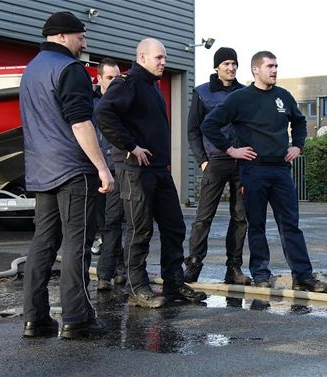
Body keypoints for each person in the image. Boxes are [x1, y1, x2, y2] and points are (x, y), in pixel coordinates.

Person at [201, 50, 327, 293]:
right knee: (257, 224)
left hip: (281, 170)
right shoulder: (240, 98)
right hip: (253, 170)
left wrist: (298, 145)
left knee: (291, 225)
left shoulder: (284, 97)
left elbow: (300, 122)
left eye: (276, 66)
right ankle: (261, 274)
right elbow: (209, 124)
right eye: (269, 66)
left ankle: (303, 276)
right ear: (255, 70)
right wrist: (231, 150)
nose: (274, 71)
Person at [20, 11, 114, 339]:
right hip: (73, 169)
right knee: (78, 242)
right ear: (62, 36)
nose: (84, 43)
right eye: (80, 36)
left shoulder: (31, 70)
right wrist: (102, 168)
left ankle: (36, 319)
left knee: (43, 241)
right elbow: (79, 122)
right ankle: (77, 319)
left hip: (41, 169)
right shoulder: (70, 69)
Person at [96, 38, 207, 308]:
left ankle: (174, 283)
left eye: (165, 58)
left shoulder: (153, 87)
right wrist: (130, 146)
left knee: (174, 226)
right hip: (134, 170)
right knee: (139, 229)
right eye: (159, 58)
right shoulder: (128, 83)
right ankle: (138, 288)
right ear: (142, 57)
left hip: (158, 170)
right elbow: (103, 113)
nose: (163, 62)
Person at [185, 47, 250, 285]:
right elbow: (193, 130)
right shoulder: (202, 93)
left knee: (240, 217)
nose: (231, 68)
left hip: (243, 161)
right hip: (215, 160)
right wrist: (202, 160)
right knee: (204, 216)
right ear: (217, 67)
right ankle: (193, 265)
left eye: (234, 64)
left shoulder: (245, 93)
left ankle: (234, 269)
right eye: (226, 64)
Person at [93, 58, 127, 290]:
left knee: (113, 221)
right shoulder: (88, 103)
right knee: (100, 224)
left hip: (116, 168)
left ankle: (105, 274)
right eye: (109, 78)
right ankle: (119, 265)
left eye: (117, 78)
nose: (114, 82)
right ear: (99, 79)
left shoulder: (124, 104)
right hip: (94, 170)